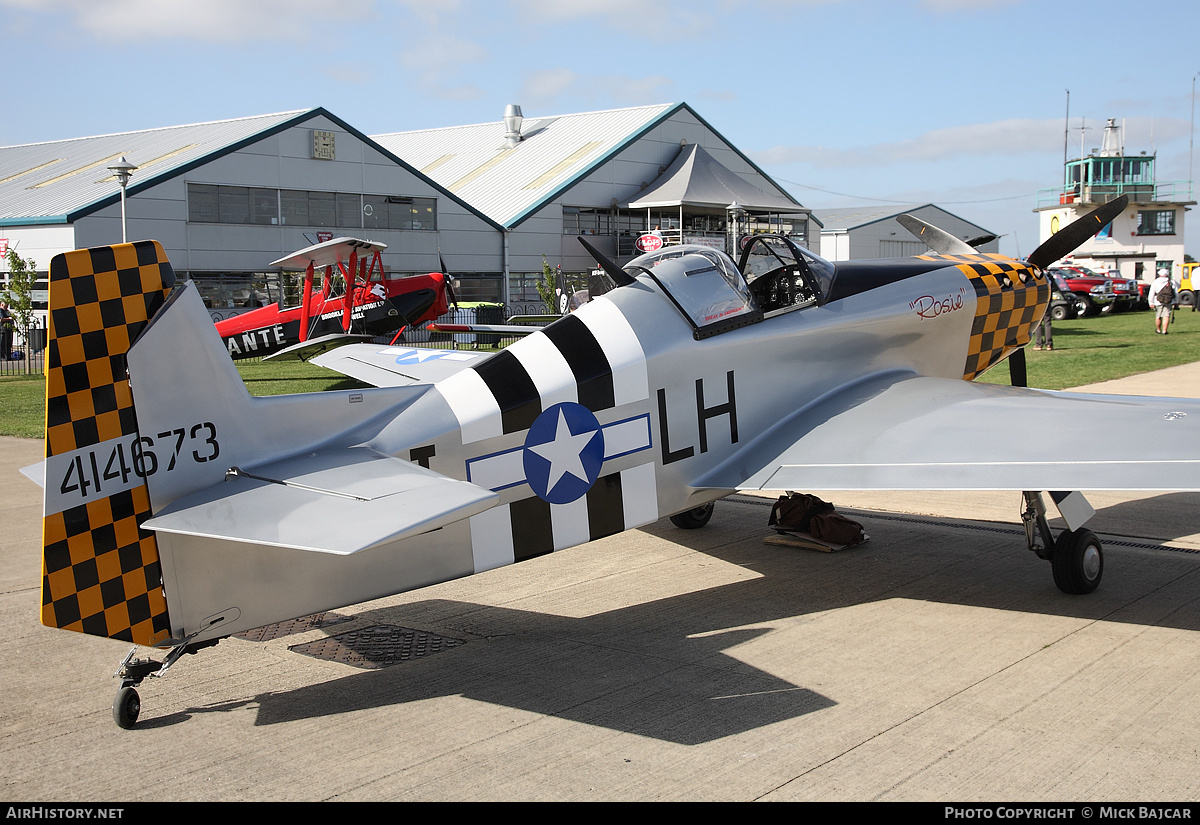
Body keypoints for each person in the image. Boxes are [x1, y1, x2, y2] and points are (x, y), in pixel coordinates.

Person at [1149, 269, 1176, 334]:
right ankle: (1164, 330)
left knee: (1158, 316)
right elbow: (1176, 292)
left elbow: (1152, 292)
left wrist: (1151, 302)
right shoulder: (1171, 281)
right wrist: (1176, 301)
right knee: (1166, 316)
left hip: (1158, 301)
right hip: (1169, 301)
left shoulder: (1156, 281)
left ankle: (1158, 330)